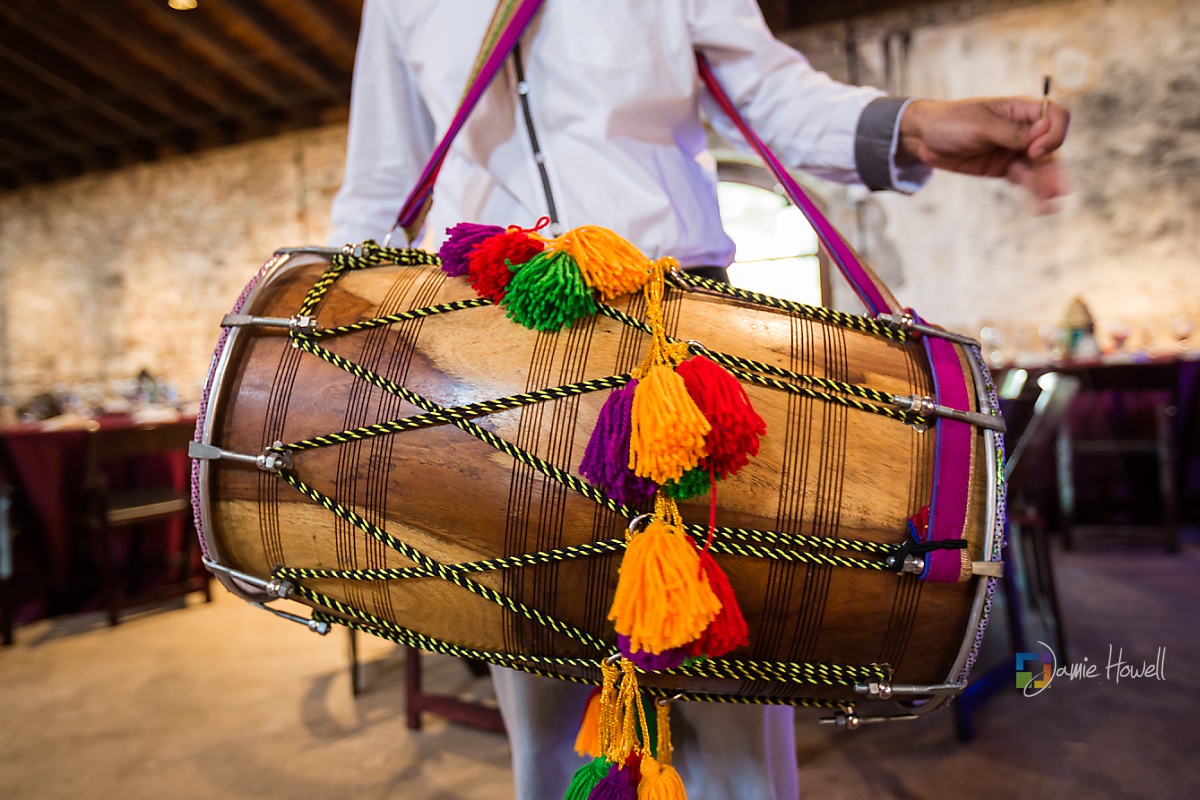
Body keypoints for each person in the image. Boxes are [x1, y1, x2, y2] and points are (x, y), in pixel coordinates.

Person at [329, 2, 1069, 798]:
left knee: (729, 682)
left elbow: (771, 92)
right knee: (538, 686)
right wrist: (335, 333)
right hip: (497, 344)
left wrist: (915, 126)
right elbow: (383, 179)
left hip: (679, 333)